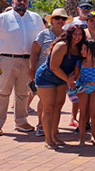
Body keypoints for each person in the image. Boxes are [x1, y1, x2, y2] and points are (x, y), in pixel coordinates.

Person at [0, 0, 46, 136]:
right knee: (2, 92)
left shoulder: (35, 18)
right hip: (7, 60)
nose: (22, 2)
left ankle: (21, 122)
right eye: (19, 0)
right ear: (12, 2)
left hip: (28, 60)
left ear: (28, 4)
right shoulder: (1, 18)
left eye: (25, 1)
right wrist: (1, 49)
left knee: (23, 93)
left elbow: (41, 37)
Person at [34, 25, 85, 148]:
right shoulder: (62, 45)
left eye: (80, 34)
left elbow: (77, 65)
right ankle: (48, 139)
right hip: (46, 77)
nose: (77, 37)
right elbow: (54, 67)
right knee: (48, 107)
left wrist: (74, 77)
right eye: (75, 34)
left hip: (62, 78)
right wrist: (68, 80)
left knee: (57, 107)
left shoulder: (79, 48)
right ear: (69, 34)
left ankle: (54, 136)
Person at [29, 8, 70, 137]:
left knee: (57, 102)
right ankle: (41, 125)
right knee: (44, 101)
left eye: (63, 18)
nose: (60, 20)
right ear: (51, 20)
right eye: (57, 18)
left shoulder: (68, 35)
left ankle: (52, 127)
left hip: (61, 73)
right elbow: (34, 52)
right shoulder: (43, 35)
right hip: (44, 73)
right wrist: (32, 68)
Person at [74, 40, 95, 146]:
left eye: (85, 49)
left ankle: (93, 136)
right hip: (83, 88)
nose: (82, 51)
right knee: (83, 113)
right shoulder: (79, 62)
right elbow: (76, 76)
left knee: (94, 113)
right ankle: (82, 138)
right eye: (81, 49)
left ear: (92, 50)